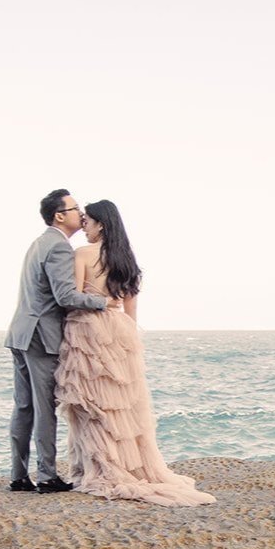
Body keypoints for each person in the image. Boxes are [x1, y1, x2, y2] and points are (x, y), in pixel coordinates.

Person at [54, 199, 215, 506]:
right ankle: (123, 464)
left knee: (92, 406)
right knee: (119, 405)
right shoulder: (124, 258)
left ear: (101, 223)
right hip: (119, 330)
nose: (84, 225)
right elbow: (131, 309)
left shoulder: (82, 254)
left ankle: (97, 466)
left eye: (88, 220)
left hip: (87, 329)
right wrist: (127, 342)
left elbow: (72, 298)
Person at [5, 189, 112, 493]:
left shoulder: (38, 243)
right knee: (43, 407)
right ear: (59, 216)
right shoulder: (60, 248)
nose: (81, 213)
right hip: (41, 336)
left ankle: (18, 475)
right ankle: (48, 476)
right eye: (75, 208)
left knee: (23, 406)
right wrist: (102, 302)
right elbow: (65, 297)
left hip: (20, 332)